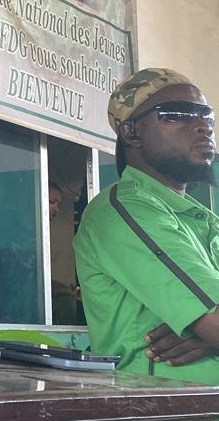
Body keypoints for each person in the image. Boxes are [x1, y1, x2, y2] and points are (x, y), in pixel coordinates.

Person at [75, 68, 219, 383]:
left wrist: (209, 341)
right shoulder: (125, 210)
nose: (203, 127)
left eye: (206, 116)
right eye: (176, 114)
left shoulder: (204, 220)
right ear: (131, 133)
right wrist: (211, 332)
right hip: (166, 403)